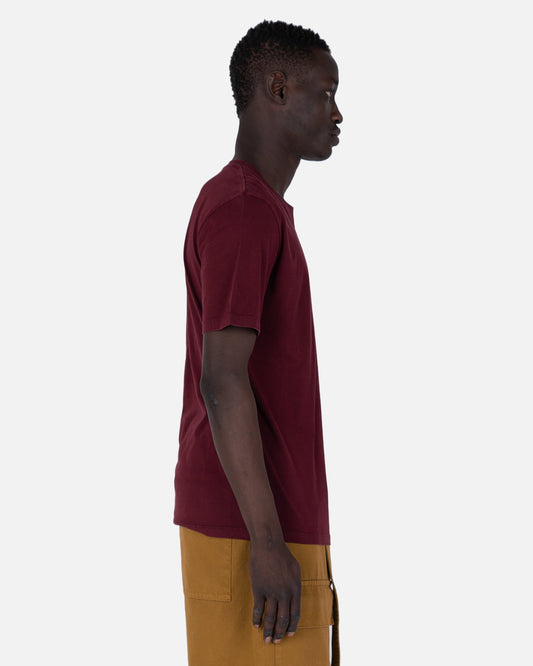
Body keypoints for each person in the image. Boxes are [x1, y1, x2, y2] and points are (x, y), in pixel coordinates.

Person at [173, 19, 343, 666]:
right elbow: (221, 379)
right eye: (325, 94)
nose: (336, 114)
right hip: (247, 533)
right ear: (277, 89)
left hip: (269, 522)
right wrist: (268, 543)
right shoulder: (242, 209)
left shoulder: (256, 209)